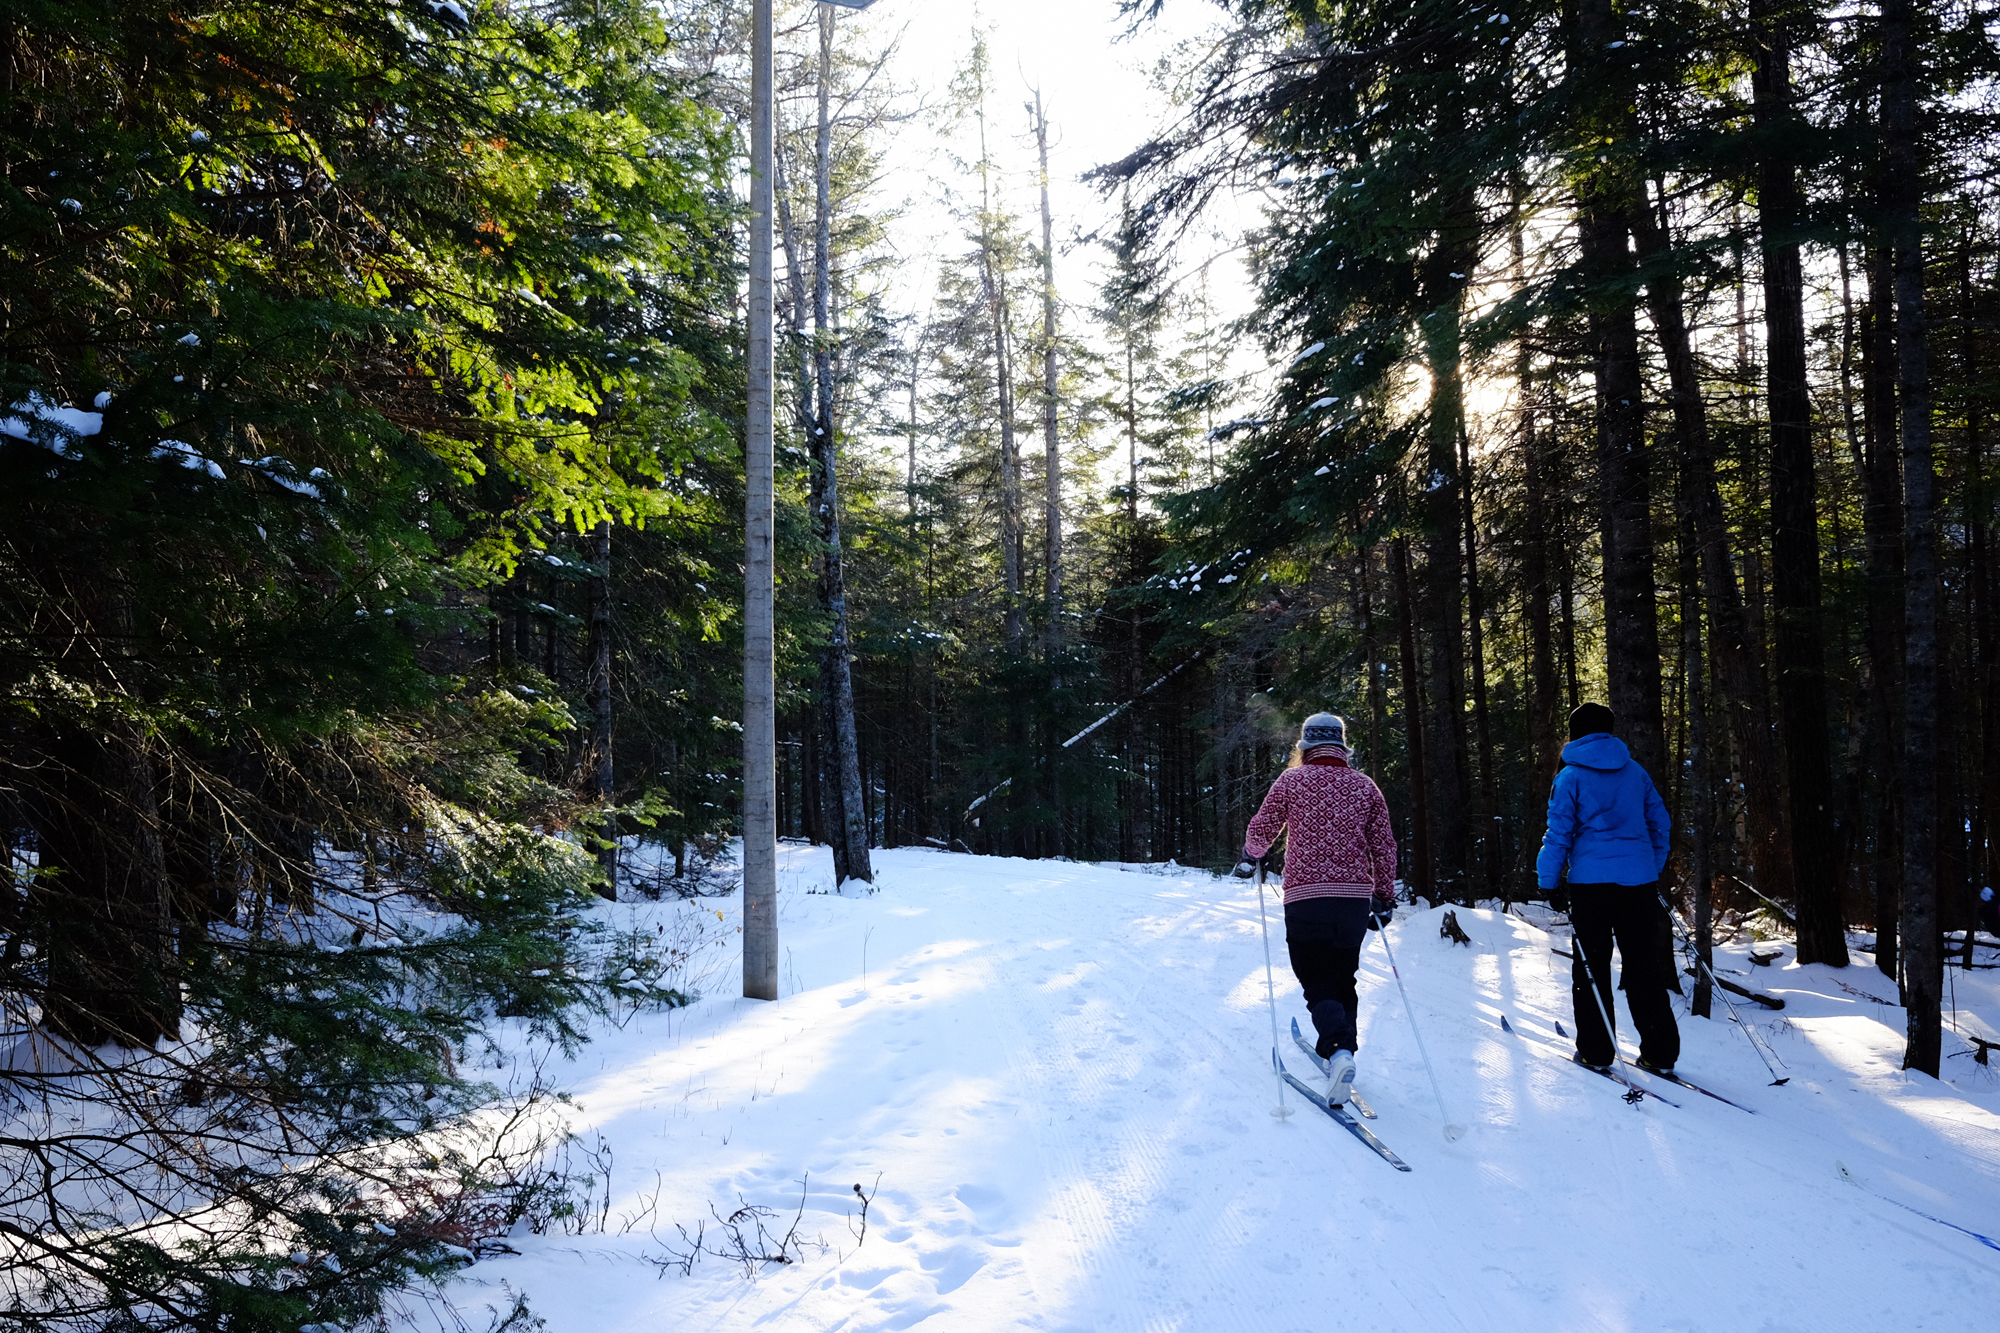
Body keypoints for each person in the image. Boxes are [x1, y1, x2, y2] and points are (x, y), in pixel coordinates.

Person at [1235, 712, 1397, 1105]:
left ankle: (1338, 1050)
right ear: (1342, 747)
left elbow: (1262, 828)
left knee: (1315, 978)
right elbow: (1384, 846)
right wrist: (1384, 895)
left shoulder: (1292, 780)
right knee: (1344, 976)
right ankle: (1343, 1054)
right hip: (1354, 900)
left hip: (1307, 896)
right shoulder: (1365, 786)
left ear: (1304, 746)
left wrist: (1248, 857)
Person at [1535, 701, 1679, 1076]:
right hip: (1638, 884)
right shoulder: (1635, 772)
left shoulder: (1570, 777)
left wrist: (1548, 881)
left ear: (1576, 732)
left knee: (1590, 967)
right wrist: (1650, 866)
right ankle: (1659, 1053)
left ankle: (1597, 1052)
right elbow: (1659, 824)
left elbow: (1558, 834)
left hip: (1591, 886)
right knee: (1643, 965)